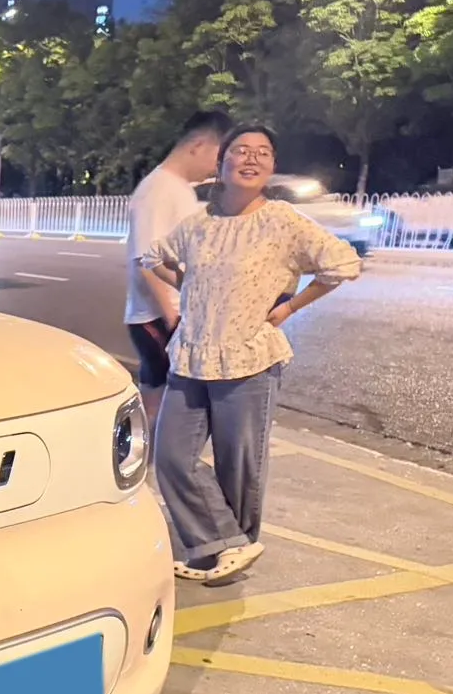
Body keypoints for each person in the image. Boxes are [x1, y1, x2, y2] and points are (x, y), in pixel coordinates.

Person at [143, 125, 361, 585]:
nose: (251, 159)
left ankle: (221, 556)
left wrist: (289, 308)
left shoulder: (282, 221)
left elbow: (341, 264)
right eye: (241, 151)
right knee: (171, 456)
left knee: (238, 465)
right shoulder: (199, 223)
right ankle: (227, 544)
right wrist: (191, 286)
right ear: (221, 164)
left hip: (248, 358)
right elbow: (154, 258)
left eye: (262, 153)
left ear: (272, 166)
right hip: (191, 354)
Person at [126, 110, 233, 428]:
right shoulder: (159, 190)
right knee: (164, 409)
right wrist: (174, 320)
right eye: (219, 157)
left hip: (171, 317)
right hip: (158, 318)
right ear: (198, 145)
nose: (218, 167)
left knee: (162, 403)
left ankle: (151, 454)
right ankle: (148, 456)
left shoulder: (178, 189)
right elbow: (147, 261)